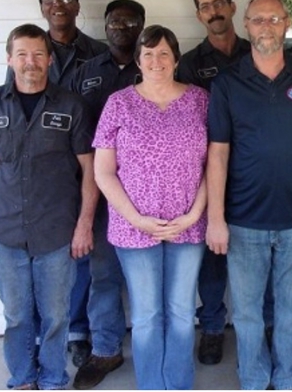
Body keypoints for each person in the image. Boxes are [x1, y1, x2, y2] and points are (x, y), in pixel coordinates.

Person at [206, 0, 292, 390]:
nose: (266, 27)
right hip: (244, 221)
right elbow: (218, 154)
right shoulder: (228, 83)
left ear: (287, 23)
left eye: (274, 20)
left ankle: (288, 379)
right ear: (246, 25)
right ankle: (255, 380)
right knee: (246, 313)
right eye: (259, 20)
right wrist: (216, 218)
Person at [93, 25, 208, 389]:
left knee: (180, 312)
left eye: (163, 53)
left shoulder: (201, 101)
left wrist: (194, 213)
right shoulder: (119, 103)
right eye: (148, 54)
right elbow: (103, 172)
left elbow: (215, 165)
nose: (156, 60)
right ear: (138, 61)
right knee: (145, 315)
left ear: (176, 59)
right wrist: (136, 218)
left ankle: (177, 384)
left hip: (188, 225)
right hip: (133, 227)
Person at [0, 23, 97, 390]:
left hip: (57, 233)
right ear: (9, 59)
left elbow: (90, 170)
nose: (30, 62)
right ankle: (23, 380)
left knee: (56, 316)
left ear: (49, 59)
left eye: (38, 54)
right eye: (22, 54)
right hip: (6, 233)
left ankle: (54, 380)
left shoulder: (71, 106)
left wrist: (85, 224)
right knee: (18, 315)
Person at [29, 0, 108, 367]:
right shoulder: (31, 53)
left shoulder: (98, 54)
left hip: (92, 167)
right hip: (48, 173)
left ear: (77, 6)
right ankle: (42, 330)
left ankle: (78, 330)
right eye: (50, 0)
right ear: (42, 8)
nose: (58, 4)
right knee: (45, 254)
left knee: (84, 253)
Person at [69, 0, 145, 389]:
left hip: (150, 195)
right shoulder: (86, 71)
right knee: (103, 275)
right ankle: (106, 348)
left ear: (142, 26)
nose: (121, 28)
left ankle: (154, 344)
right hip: (100, 192)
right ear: (105, 25)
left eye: (130, 22)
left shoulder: (154, 65)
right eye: (115, 21)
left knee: (150, 278)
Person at [176, 0, 250, 366]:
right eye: (205, 7)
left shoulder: (256, 53)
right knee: (213, 256)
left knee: (258, 254)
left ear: (232, 7)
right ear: (199, 15)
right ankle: (212, 329)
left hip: (255, 170)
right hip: (208, 172)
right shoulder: (189, 64)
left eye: (219, 3)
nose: (213, 11)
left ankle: (265, 325)